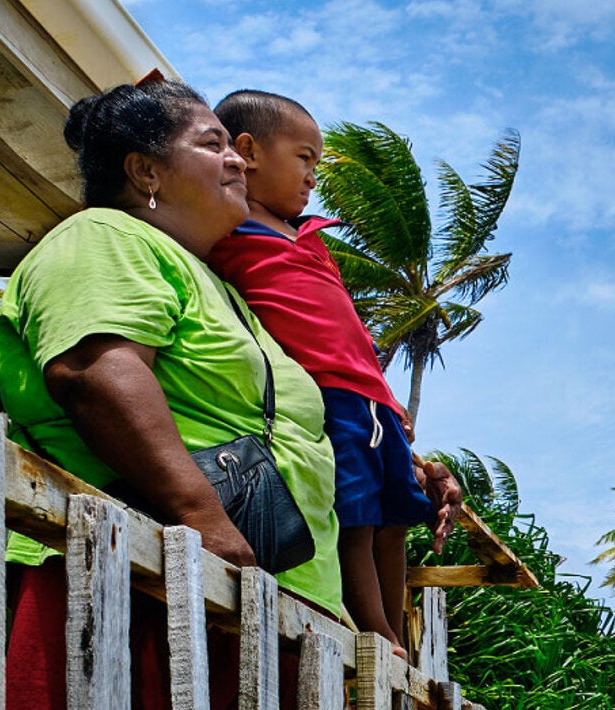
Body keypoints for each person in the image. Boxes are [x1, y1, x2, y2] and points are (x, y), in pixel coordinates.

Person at [0, 80, 340, 709]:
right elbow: (97, 372)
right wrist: (203, 518)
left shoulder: (212, 278)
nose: (236, 159)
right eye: (213, 144)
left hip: (251, 601)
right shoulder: (103, 236)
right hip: (142, 583)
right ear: (145, 171)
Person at [206, 90, 462, 660]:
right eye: (304, 159)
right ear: (246, 151)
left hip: (369, 393)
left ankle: (391, 626)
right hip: (322, 391)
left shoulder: (311, 235)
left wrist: (390, 398)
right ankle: (374, 629)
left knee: (396, 511)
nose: (313, 177)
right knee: (357, 514)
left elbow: (349, 328)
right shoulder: (226, 226)